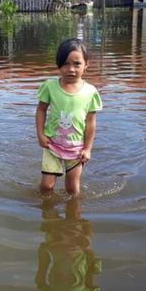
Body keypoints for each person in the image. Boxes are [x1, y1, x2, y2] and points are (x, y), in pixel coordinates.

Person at [36, 38, 102, 195]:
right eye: (65, 64)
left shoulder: (90, 92)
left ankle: (74, 217)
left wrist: (87, 148)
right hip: (52, 144)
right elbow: (41, 110)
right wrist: (40, 134)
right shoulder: (50, 87)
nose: (71, 69)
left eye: (76, 64)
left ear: (86, 64)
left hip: (76, 148)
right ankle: (45, 210)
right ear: (58, 64)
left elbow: (91, 122)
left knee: (72, 188)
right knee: (47, 186)